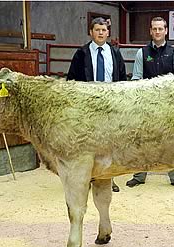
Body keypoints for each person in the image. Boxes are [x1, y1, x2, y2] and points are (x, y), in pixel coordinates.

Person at [125, 16, 174, 190]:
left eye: (161, 28)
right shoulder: (142, 53)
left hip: (169, 106)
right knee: (142, 140)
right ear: (151, 31)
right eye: (155, 29)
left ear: (166, 31)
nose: (158, 32)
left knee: (172, 141)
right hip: (146, 106)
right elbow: (137, 79)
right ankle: (139, 175)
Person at [67, 17, 127, 192]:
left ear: (108, 33)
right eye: (97, 30)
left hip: (110, 105)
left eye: (103, 30)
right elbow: (71, 80)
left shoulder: (115, 53)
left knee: (110, 142)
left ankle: (110, 177)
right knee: (89, 143)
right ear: (91, 32)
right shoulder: (81, 54)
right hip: (88, 107)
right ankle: (88, 177)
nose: (101, 33)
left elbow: (122, 79)